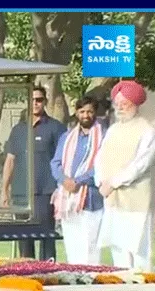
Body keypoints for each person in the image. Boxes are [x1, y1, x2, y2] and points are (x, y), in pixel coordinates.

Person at [94, 81, 155, 271]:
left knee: (139, 252)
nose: (120, 107)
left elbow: (140, 165)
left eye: (125, 103)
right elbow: (100, 157)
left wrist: (114, 182)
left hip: (137, 201)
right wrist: (100, 181)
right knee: (118, 250)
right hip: (113, 200)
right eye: (117, 103)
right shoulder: (113, 129)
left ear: (136, 104)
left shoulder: (148, 132)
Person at [2, 86, 67, 261]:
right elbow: (10, 160)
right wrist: (4, 190)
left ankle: (49, 271)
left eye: (39, 99)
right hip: (21, 192)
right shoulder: (18, 129)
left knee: (46, 236)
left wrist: (60, 188)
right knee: (24, 238)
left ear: (45, 101)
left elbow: (64, 160)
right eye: (32, 99)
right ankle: (26, 271)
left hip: (45, 190)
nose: (35, 103)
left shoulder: (56, 127)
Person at [50, 96, 105, 265]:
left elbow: (103, 165)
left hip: (91, 198)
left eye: (89, 111)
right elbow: (55, 163)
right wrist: (64, 180)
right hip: (68, 199)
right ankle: (75, 283)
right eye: (82, 111)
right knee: (72, 245)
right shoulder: (67, 137)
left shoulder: (104, 136)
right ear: (76, 113)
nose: (86, 115)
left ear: (95, 113)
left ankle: (92, 283)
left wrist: (79, 181)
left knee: (90, 246)